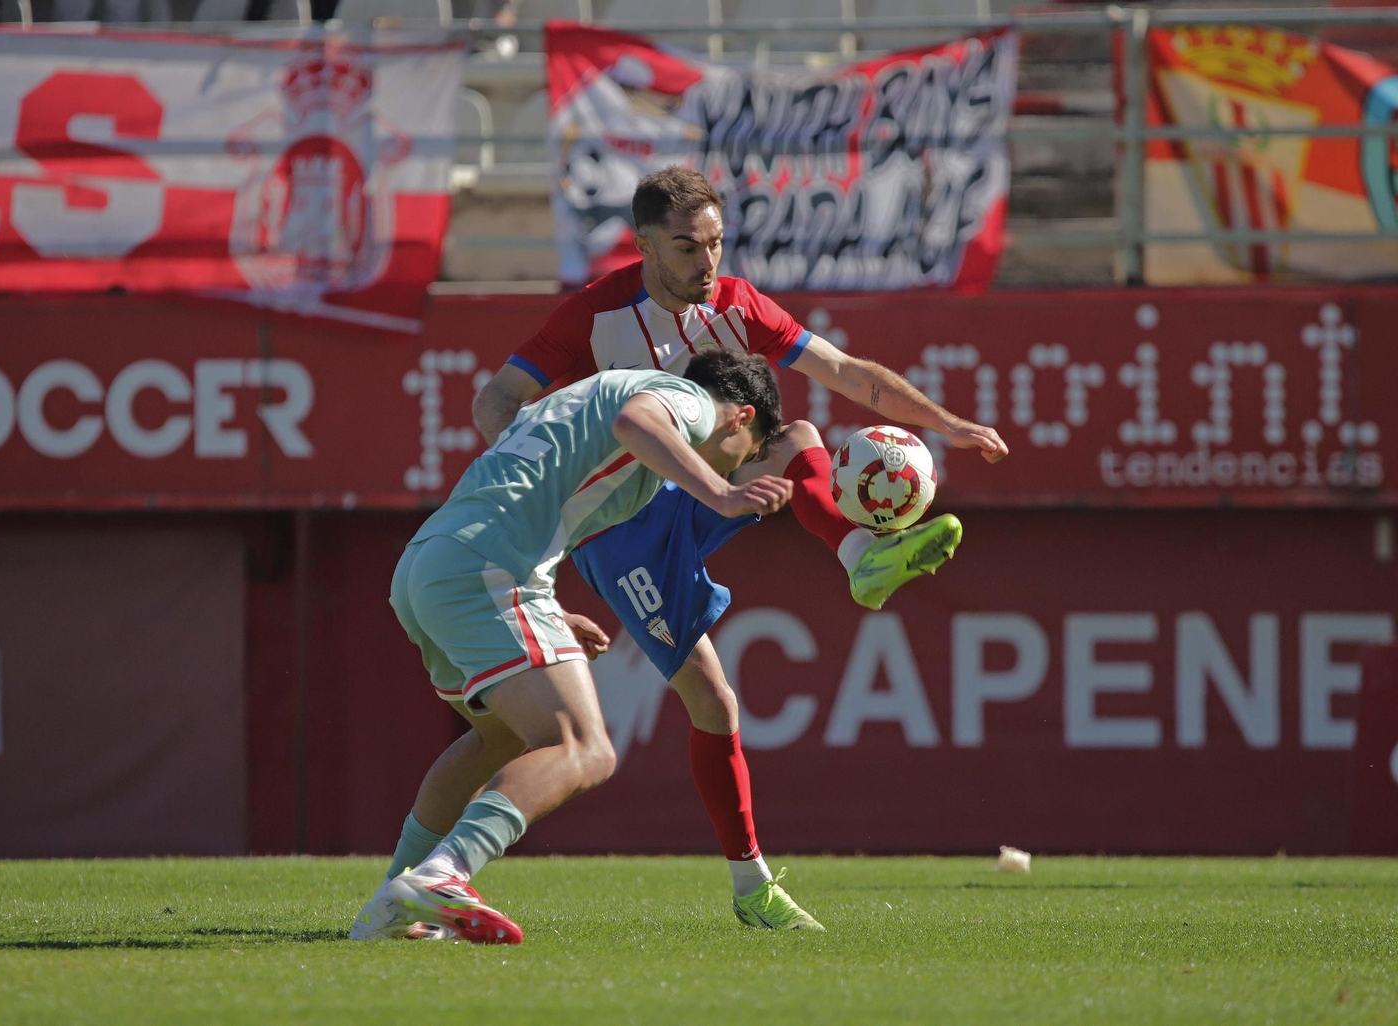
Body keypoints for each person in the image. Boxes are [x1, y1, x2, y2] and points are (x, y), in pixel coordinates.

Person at [469, 166, 1010, 931]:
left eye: (717, 243)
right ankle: (751, 886)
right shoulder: (595, 316)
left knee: (797, 434)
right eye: (687, 247)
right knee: (713, 701)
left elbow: (847, 371)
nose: (707, 262)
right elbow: (492, 400)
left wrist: (947, 423)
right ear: (645, 245)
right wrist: (542, 490)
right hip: (619, 527)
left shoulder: (738, 305)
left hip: (697, 489)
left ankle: (862, 558)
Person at [351, 351, 792, 944]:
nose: (742, 466)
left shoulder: (595, 401)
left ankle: (391, 902)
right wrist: (722, 492)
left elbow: (535, 497)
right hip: (484, 569)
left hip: (429, 564)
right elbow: (638, 422)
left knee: (498, 738)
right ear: (740, 418)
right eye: (751, 451)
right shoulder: (684, 402)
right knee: (584, 747)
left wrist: (551, 612)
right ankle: (443, 875)